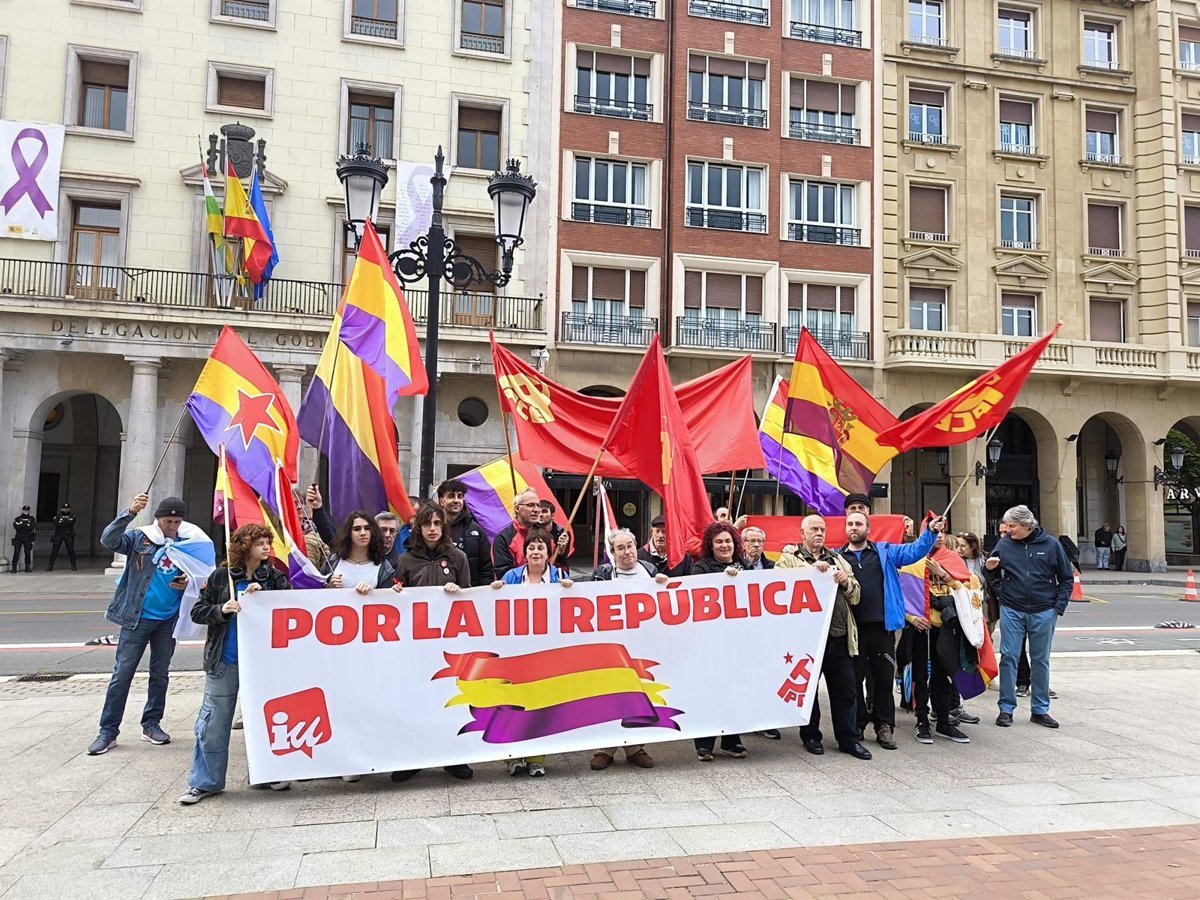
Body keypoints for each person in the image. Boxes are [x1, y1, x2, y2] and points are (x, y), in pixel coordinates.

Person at [178, 523, 291, 804]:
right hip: (225, 661)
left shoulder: (275, 578)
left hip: (264, 664)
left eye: (268, 542)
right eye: (259, 542)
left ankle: (268, 774)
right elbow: (197, 611)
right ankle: (205, 781)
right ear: (244, 547)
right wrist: (222, 609)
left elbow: (290, 611)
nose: (266, 547)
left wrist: (265, 597)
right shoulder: (220, 578)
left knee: (267, 720)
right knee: (214, 722)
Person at [87, 494, 197, 755]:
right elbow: (109, 540)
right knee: (122, 674)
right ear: (158, 518)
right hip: (136, 617)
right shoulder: (140, 538)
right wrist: (129, 512)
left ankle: (151, 724)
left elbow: (200, 573)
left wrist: (189, 582)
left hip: (168, 619)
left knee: (160, 673)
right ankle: (108, 731)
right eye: (168, 520)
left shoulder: (187, 542)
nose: (171, 525)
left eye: (177, 521)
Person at [840, 495, 946, 751]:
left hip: (882, 628)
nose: (854, 528)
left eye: (858, 524)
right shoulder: (837, 558)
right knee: (853, 681)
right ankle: (856, 724)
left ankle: (884, 726)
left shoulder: (887, 552)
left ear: (868, 528)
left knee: (883, 681)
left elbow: (915, 551)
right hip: (851, 632)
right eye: (850, 524)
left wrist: (930, 533)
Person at [390, 502, 475, 783]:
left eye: (438, 524)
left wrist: (458, 592)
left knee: (450, 699)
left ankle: (453, 757)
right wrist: (396, 593)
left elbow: (471, 600)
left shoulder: (458, 557)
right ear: (418, 527)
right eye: (427, 524)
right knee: (416, 700)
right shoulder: (405, 560)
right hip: (416, 646)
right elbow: (396, 600)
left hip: (450, 644)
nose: (433, 529)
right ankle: (413, 758)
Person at [777, 515, 868, 759]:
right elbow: (778, 590)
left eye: (823, 529)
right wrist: (809, 572)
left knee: (846, 691)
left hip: (838, 636)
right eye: (814, 529)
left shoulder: (837, 559)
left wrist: (846, 582)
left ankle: (849, 739)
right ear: (802, 533)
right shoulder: (788, 559)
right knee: (808, 692)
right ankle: (811, 736)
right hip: (806, 640)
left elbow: (856, 595)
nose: (819, 533)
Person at [492, 528, 574, 777]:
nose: (536, 552)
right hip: (515, 651)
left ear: (549, 552)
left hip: (546, 651)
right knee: (513, 703)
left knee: (541, 704)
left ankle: (537, 757)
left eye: (540, 547)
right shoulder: (511, 577)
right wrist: (494, 590)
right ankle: (513, 757)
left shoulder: (560, 576)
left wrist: (570, 590)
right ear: (524, 553)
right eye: (531, 548)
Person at [986, 505, 1072, 729]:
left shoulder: (1051, 544)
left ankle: (1040, 710)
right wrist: (999, 587)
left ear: (1026, 525)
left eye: (1012, 526)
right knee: (1008, 657)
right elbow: (991, 572)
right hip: (1012, 608)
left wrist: (1057, 607)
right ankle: (1006, 708)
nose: (1007, 531)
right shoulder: (1004, 544)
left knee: (1040, 660)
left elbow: (1066, 578)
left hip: (1044, 610)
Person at [589, 529, 664, 770]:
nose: (627, 551)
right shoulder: (602, 575)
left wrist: (664, 585)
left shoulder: (650, 571)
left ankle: (635, 747)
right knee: (610, 694)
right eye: (620, 548)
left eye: (630, 545)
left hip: (642, 645)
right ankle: (605, 748)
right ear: (612, 553)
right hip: (612, 646)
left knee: (638, 693)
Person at [690, 522, 749, 762]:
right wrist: (722, 580)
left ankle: (731, 740)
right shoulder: (701, 568)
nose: (725, 546)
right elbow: (696, 595)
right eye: (719, 542)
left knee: (734, 690)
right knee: (710, 690)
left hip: (737, 641)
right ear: (710, 545)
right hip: (710, 642)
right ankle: (704, 743)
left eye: (728, 541)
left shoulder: (745, 567)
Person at [906, 551, 971, 745]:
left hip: (946, 627)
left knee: (943, 676)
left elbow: (966, 588)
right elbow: (901, 593)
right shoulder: (911, 561)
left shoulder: (952, 560)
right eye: (934, 532)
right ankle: (922, 721)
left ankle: (943, 720)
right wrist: (911, 618)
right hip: (921, 627)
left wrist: (942, 573)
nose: (939, 536)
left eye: (942, 531)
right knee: (920, 675)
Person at [437, 478, 494, 586]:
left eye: (460, 496)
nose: (456, 500)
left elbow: (486, 567)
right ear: (441, 501)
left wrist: (482, 592)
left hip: (470, 594)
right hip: (439, 595)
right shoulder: (433, 528)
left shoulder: (476, 529)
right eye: (451, 496)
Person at [492, 489, 541, 579]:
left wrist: (561, 551)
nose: (536, 510)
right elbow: (504, 576)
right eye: (530, 505)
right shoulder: (504, 538)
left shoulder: (545, 535)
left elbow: (554, 568)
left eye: (538, 505)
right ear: (517, 508)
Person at [47, 502, 78, 571]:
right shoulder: (57, 516)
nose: (66, 510)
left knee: (71, 550)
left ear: (69, 509)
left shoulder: (72, 516)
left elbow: (71, 522)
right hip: (59, 535)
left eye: (67, 508)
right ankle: (50, 565)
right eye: (64, 508)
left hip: (68, 535)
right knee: (54, 550)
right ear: (61, 509)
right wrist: (65, 521)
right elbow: (57, 524)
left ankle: (73, 565)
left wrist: (63, 522)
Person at [10, 505, 35, 573]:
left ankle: (27, 567)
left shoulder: (31, 518)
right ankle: (14, 567)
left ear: (29, 511)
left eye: (27, 510)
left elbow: (32, 526)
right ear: (22, 510)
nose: (26, 511)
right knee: (16, 552)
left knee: (27, 552)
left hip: (27, 537)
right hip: (19, 537)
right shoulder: (18, 518)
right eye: (25, 510)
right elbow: (16, 526)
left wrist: (22, 525)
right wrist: (26, 525)